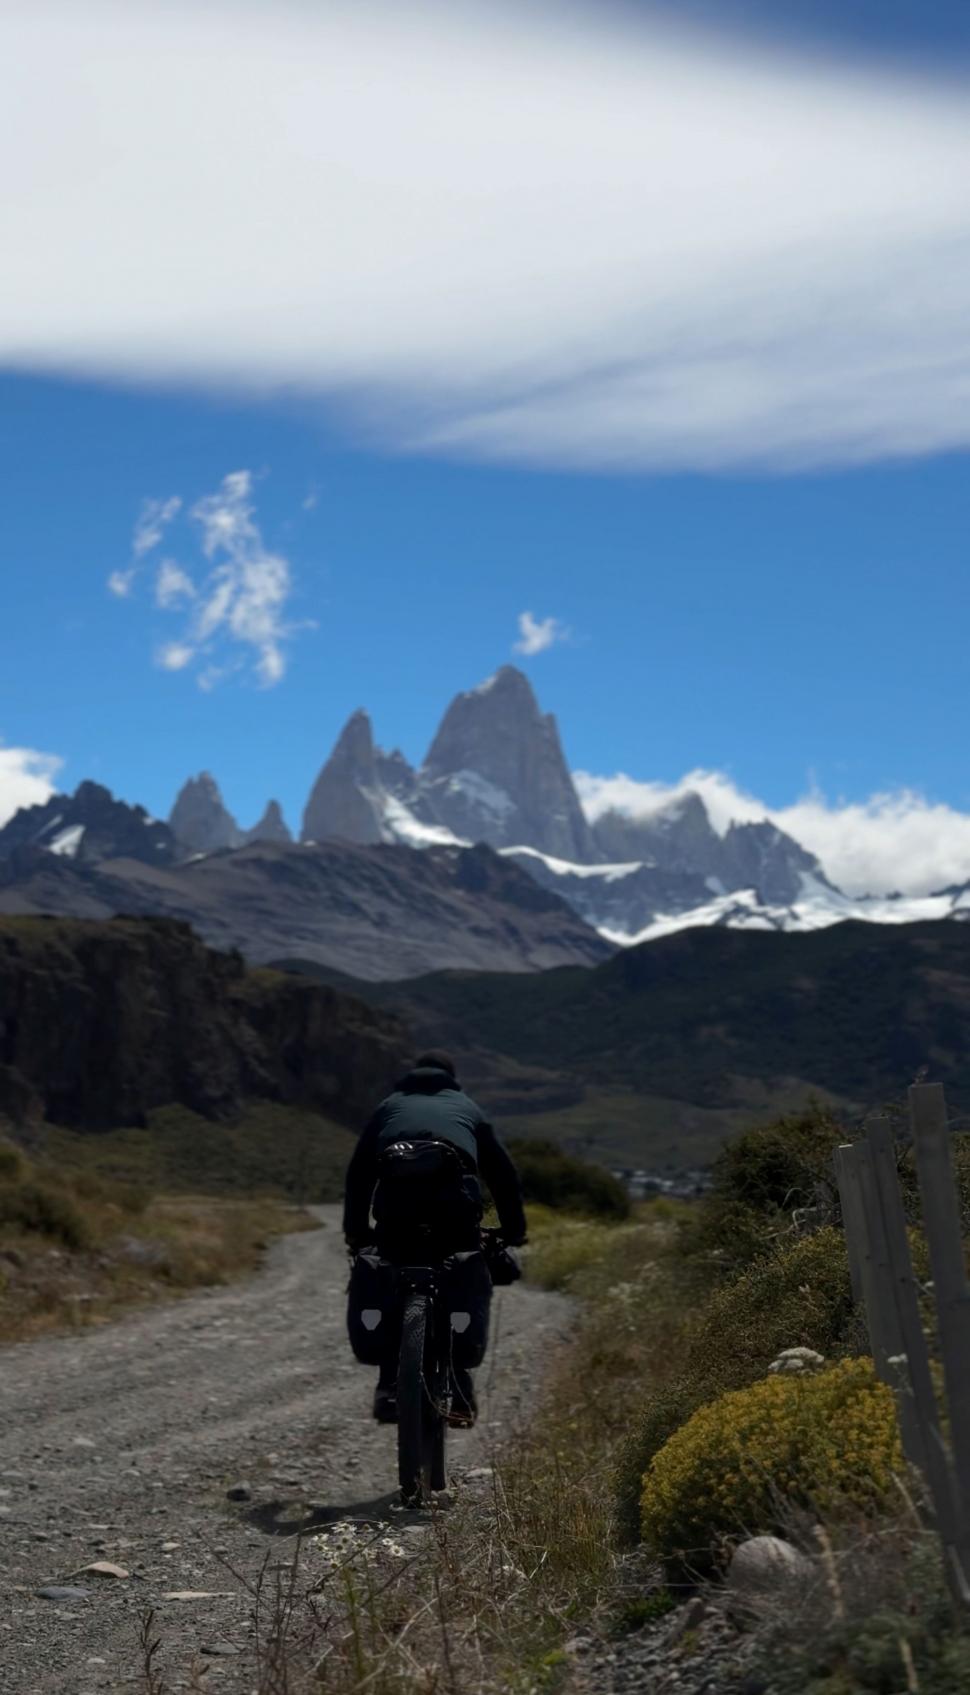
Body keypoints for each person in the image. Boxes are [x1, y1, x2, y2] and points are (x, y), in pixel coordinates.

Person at [343, 1049, 527, 1425]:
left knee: (392, 1274)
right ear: (450, 1077)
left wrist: (357, 1233)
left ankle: (388, 1388)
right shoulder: (467, 1107)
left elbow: (359, 1175)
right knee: (463, 1273)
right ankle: (458, 1388)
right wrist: (513, 1230)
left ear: (413, 1076)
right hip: (454, 1211)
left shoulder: (388, 1107)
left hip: (396, 1211)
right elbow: (503, 1176)